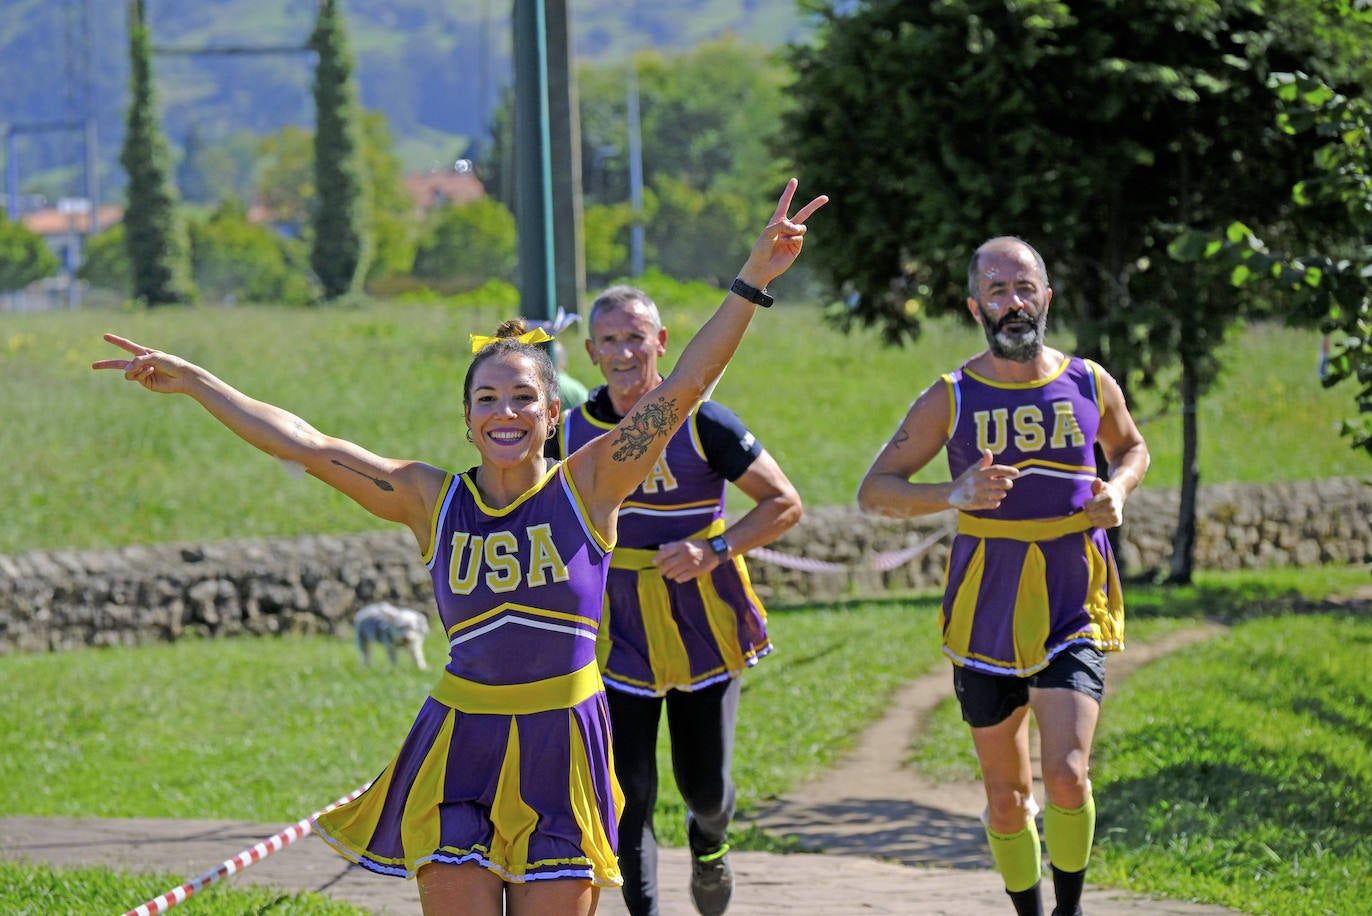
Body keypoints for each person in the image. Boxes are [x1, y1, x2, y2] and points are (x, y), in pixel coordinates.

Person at [92, 179, 827, 916]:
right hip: (458, 750)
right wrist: (195, 382)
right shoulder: (429, 500)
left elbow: (687, 383)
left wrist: (753, 280)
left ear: (551, 418)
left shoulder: (593, 482)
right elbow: (310, 446)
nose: (504, 412)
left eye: (523, 399)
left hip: (562, 750)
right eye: (486, 399)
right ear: (467, 419)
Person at [856, 236, 1149, 916]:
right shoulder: (951, 396)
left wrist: (1121, 488)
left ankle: (1068, 910)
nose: (1012, 303)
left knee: (1068, 776)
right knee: (1007, 797)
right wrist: (950, 495)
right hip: (985, 611)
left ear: (1046, 299)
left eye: (1024, 289)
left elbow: (1130, 446)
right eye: (997, 290)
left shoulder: (1088, 381)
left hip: (1073, 601)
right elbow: (876, 491)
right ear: (974, 307)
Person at [549, 283, 803, 916]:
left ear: (661, 343)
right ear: (590, 352)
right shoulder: (570, 434)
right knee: (627, 789)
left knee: (706, 788)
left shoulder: (705, 423)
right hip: (615, 629)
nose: (625, 352)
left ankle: (710, 845)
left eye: (636, 336)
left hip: (703, 616)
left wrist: (713, 550)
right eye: (610, 340)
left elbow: (784, 504)